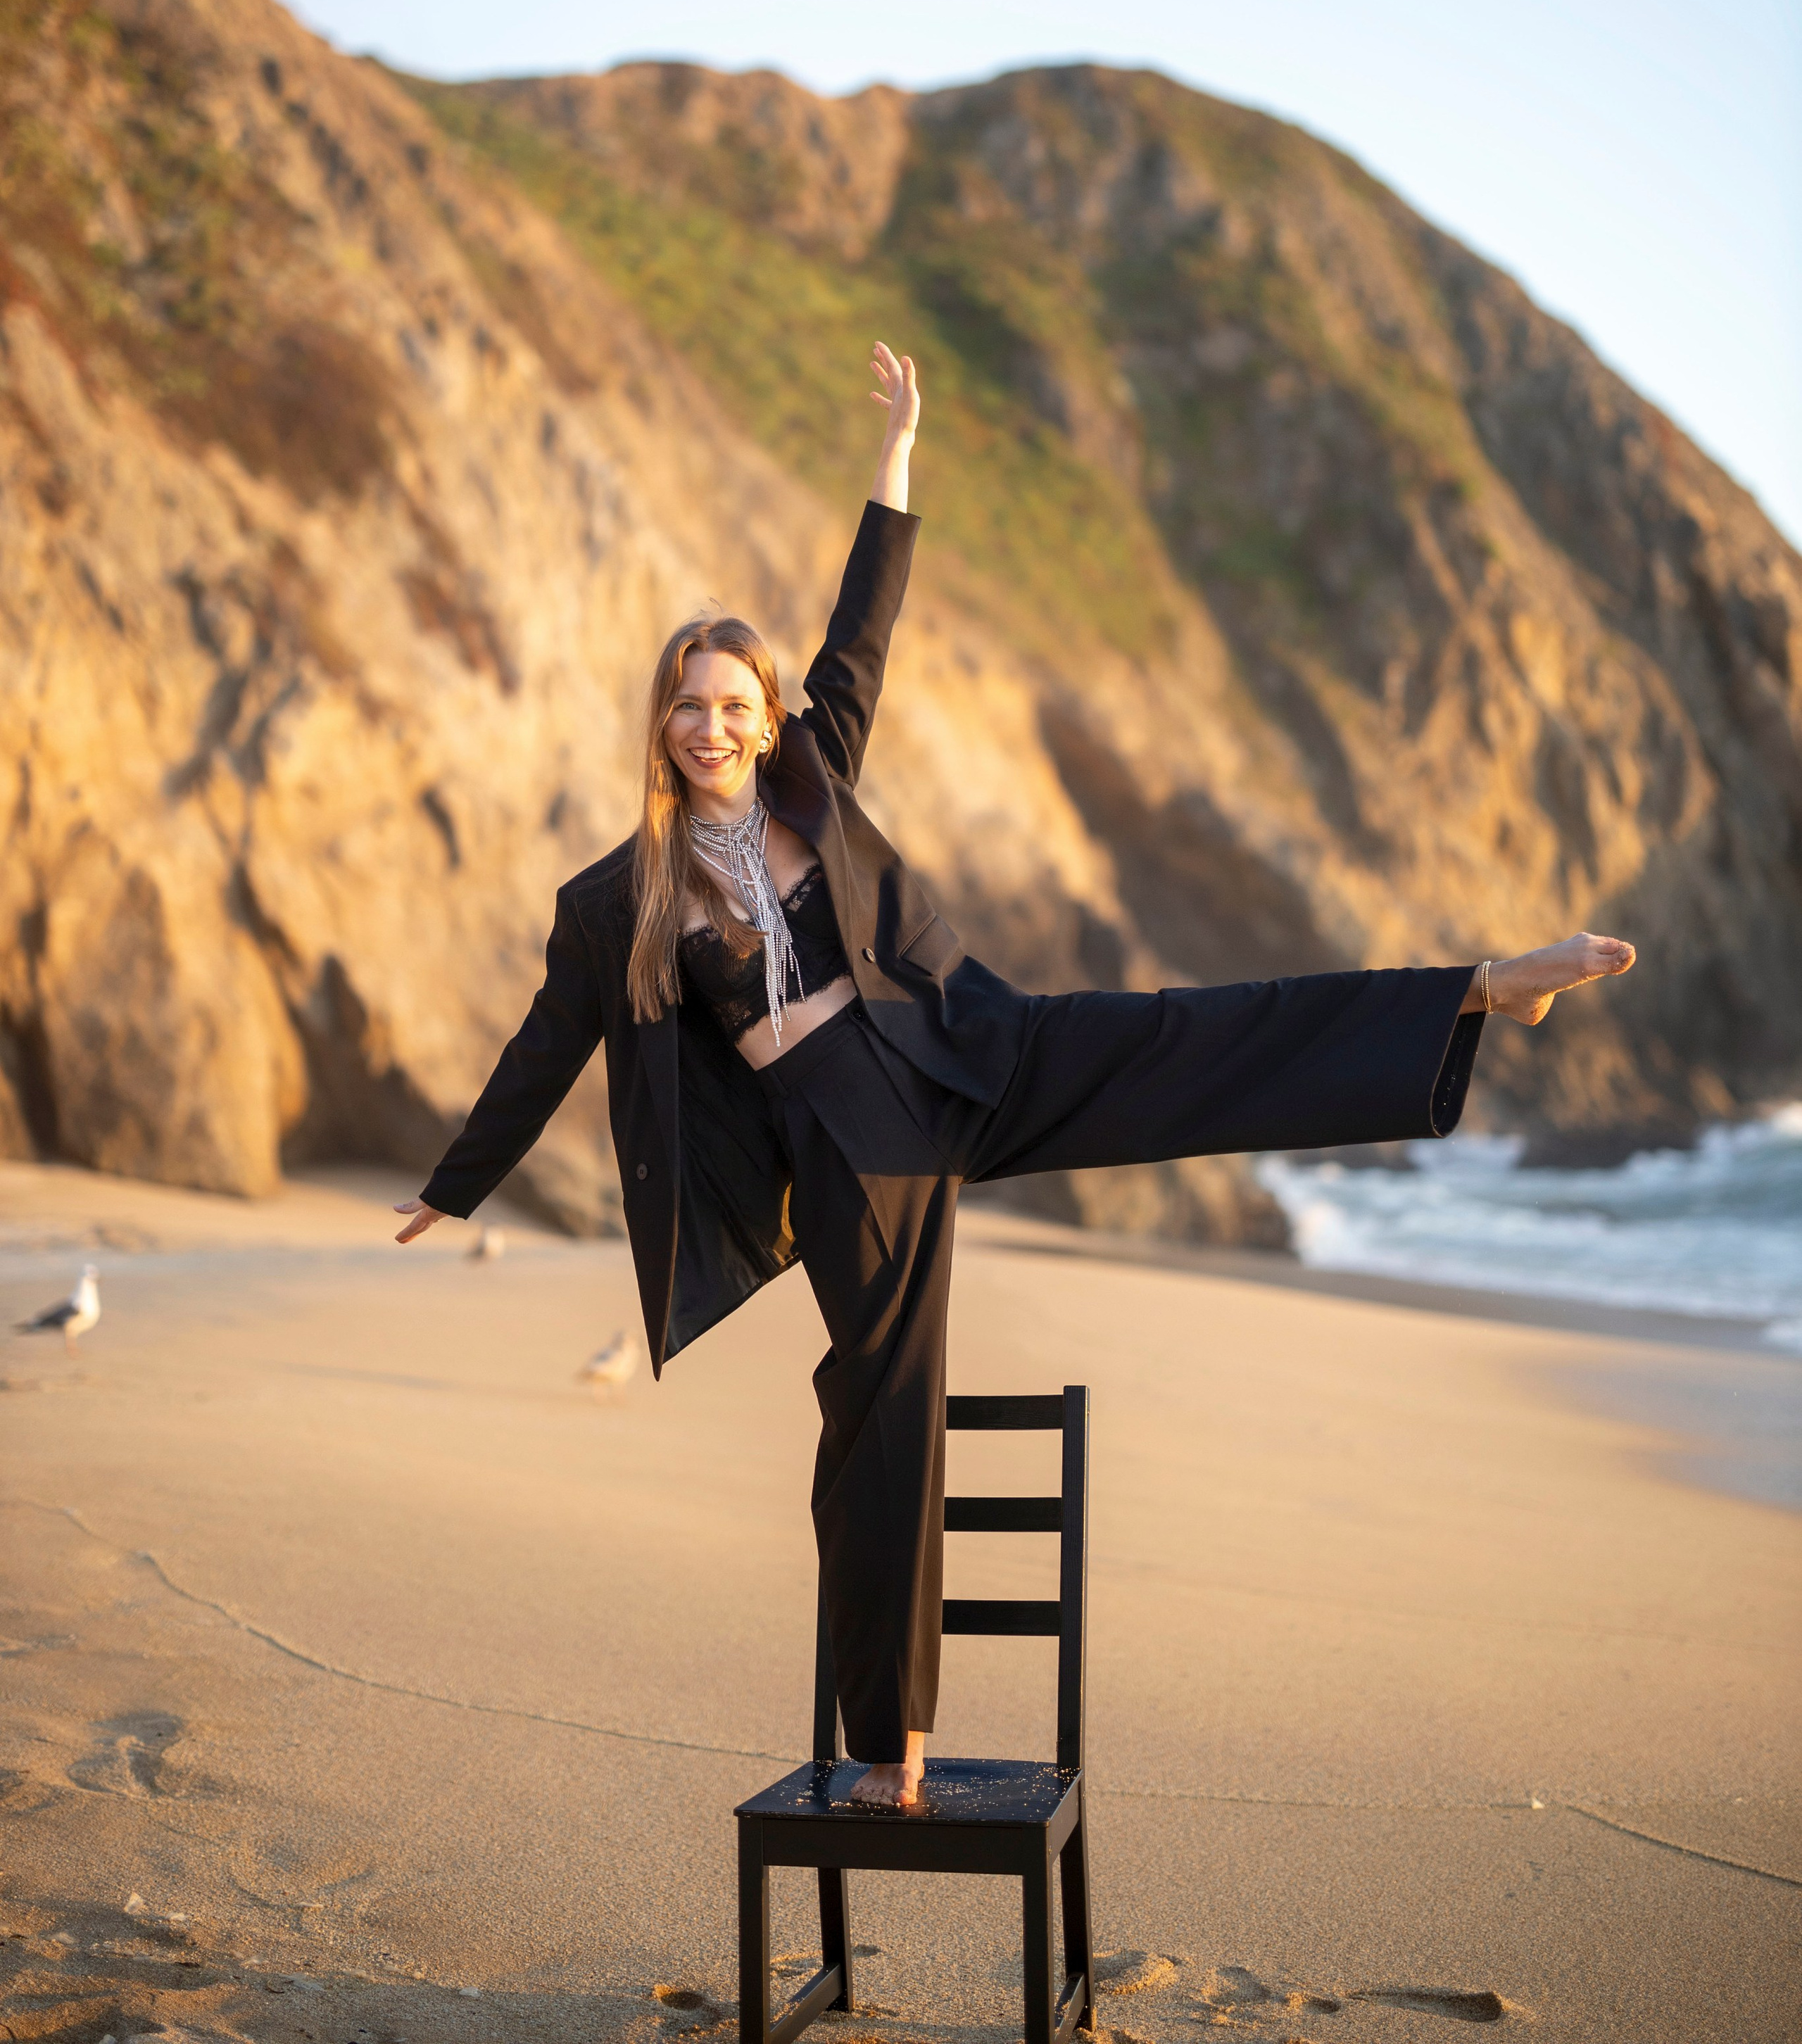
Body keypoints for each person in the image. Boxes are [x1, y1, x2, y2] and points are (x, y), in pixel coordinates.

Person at [396, 342, 1636, 1810]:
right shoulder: (618, 899)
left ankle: (1471, 996)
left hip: (962, 1047)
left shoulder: (815, 776)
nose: (713, 726)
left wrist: (897, 458)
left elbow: (862, 631)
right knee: (884, 1398)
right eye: (688, 707)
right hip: (844, 1132)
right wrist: (454, 1187)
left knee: (1187, 1036)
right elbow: (551, 1042)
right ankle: (892, 1745)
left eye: (735, 703)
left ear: (767, 716)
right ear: (658, 725)